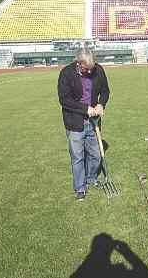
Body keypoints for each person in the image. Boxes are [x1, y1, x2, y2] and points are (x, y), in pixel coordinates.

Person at [58, 48, 110, 201]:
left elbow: (105, 91)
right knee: (78, 157)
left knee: (95, 154)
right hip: (75, 122)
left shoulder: (98, 70)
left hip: (94, 122)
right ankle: (80, 188)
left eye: (92, 68)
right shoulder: (66, 73)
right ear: (79, 64)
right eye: (87, 69)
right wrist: (85, 109)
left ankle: (91, 178)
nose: (90, 72)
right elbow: (64, 99)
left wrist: (101, 104)